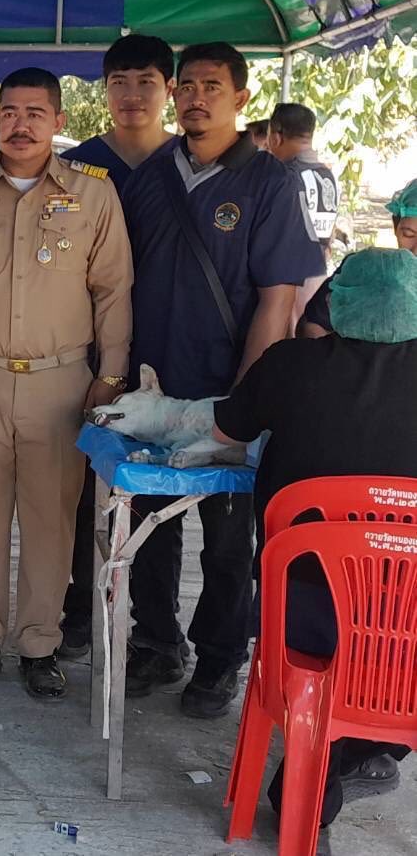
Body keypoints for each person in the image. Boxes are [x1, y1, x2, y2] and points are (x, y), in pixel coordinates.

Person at [116, 41, 324, 718]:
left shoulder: (269, 183)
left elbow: (277, 299)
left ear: (240, 97)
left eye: (212, 86)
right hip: (153, 389)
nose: (196, 97)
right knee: (148, 523)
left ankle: (218, 658)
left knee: (228, 539)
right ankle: (156, 642)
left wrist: (244, 403)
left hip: (227, 392)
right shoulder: (153, 174)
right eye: (187, 86)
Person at [0, 68, 133, 699]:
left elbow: (113, 289)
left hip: (60, 382)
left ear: (58, 121)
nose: (20, 125)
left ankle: (41, 645)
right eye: (10, 113)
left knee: (51, 522)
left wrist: (110, 375)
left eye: (35, 113)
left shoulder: (92, 193)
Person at [213, 246, 417, 828]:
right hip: (408, 623)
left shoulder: (290, 364)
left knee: (323, 662)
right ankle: (356, 748)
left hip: (300, 614)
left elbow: (226, 430)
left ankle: (320, 762)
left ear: (339, 301)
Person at [58, 35, 177, 656]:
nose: (132, 95)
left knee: (157, 495)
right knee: (81, 490)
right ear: (104, 90)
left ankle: (156, 634)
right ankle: (77, 612)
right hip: (85, 353)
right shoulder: (77, 166)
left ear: (168, 89)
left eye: (146, 82)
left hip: (165, 352)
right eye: (119, 83)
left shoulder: (189, 165)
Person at [299, 178, 417, 338]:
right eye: (408, 234)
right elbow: (312, 325)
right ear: (395, 229)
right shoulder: (363, 270)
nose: (415, 251)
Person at [267, 102, 340, 326]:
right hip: (319, 270)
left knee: (287, 335)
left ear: (276, 137)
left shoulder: (283, 176)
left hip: (290, 275)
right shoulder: (327, 174)